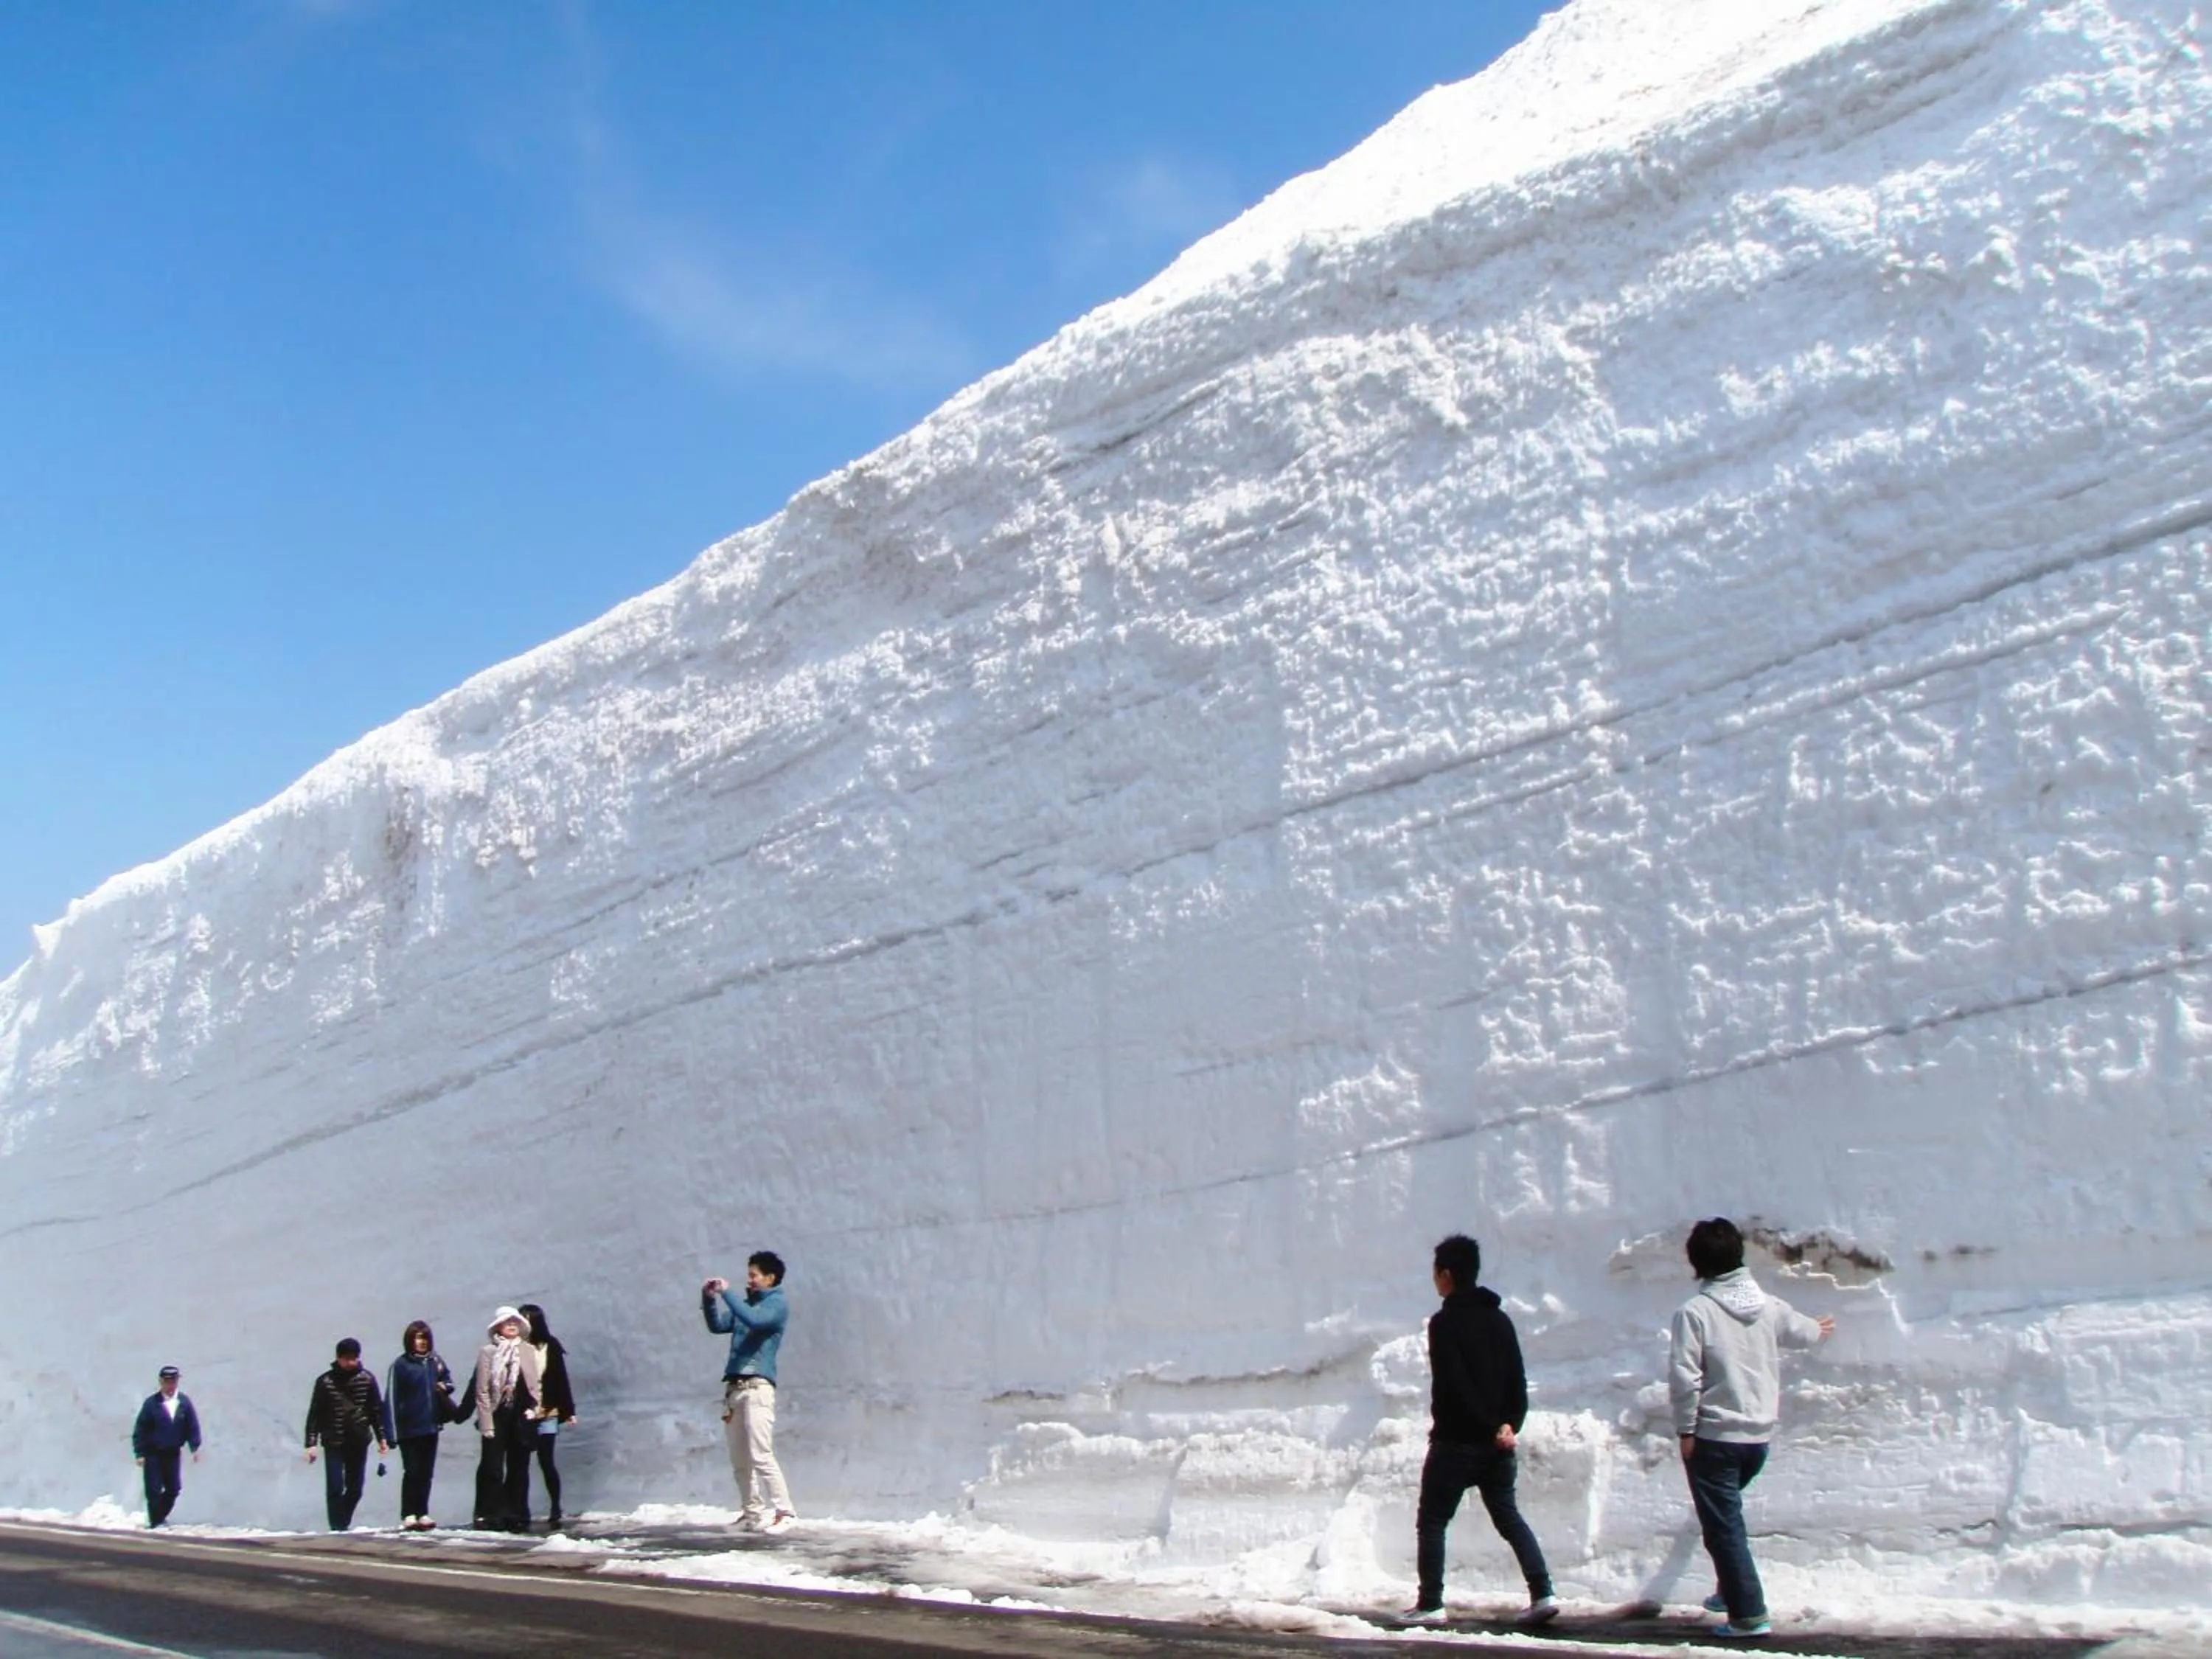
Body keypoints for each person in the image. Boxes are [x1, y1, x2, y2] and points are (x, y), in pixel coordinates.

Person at [1669, 1217, 1834, 1640]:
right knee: (1723, 1518)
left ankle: (1748, 1615)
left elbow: (1686, 1377)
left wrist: (1686, 1431)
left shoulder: (1696, 1313)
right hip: (1758, 1439)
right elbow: (1802, 1331)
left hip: (1715, 1437)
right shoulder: (1767, 1305)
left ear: (1697, 1263)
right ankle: (1729, 1591)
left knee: (1724, 1527)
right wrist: (1819, 1329)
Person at [1399, 1234, 1557, 1628]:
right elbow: (1517, 1380)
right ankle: (1543, 1593)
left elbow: (1454, 1384)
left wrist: (1489, 1425)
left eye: (1436, 1273)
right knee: (1508, 1517)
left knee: (1432, 1521)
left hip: (1456, 1442)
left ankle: (1431, 1603)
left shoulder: (1443, 1324)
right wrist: (1509, 1425)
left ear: (1446, 1275)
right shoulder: (1501, 1320)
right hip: (1498, 1444)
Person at [701, 1251, 793, 1531]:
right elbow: (718, 1326)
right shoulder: (747, 1306)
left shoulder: (776, 1305)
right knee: (740, 1458)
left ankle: (785, 1512)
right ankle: (752, 1513)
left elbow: (755, 1320)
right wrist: (708, 1299)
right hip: (735, 1389)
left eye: (754, 1275)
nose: (749, 1280)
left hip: (757, 1388)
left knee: (760, 1453)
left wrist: (727, 1293)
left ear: (770, 1278)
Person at [383, 1320, 465, 1531]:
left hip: (431, 1426)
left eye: (425, 1338)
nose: (422, 1342)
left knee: (426, 1472)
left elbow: (449, 1382)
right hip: (409, 1429)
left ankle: (422, 1512)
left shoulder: (435, 1361)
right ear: (410, 1340)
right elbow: (390, 1398)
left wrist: (444, 1386)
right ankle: (408, 1513)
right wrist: (390, 1433)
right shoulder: (400, 1365)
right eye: (418, 1338)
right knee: (412, 1471)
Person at [304, 1338, 391, 1531]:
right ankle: (337, 1527)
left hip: (358, 1439)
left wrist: (382, 1438)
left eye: (354, 1358)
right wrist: (311, 1443)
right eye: (347, 1358)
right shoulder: (325, 1382)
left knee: (355, 1489)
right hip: (333, 1440)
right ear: (338, 1358)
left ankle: (342, 1521)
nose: (351, 1362)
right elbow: (315, 1414)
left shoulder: (367, 1379)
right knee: (335, 1487)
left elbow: (376, 1411)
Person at [470, 1305, 543, 1532]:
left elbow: (535, 1383)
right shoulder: (489, 1352)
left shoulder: (528, 1350)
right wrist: (486, 1423)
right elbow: (482, 1390)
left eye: (515, 1322)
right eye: (507, 1322)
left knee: (519, 1466)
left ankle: (516, 1512)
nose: (512, 1325)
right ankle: (489, 1513)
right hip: (497, 1413)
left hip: (521, 1414)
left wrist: (534, 1408)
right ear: (498, 1327)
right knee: (492, 1467)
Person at [517, 1303, 577, 1529]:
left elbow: (561, 1379)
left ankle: (555, 1506)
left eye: (527, 1320)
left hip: (548, 1410)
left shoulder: (550, 1346)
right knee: (521, 1462)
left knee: (546, 1459)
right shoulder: (516, 1346)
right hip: (524, 1412)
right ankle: (521, 1510)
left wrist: (569, 1411)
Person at [131, 1364, 203, 1528]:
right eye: (167, 1382)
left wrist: (195, 1447)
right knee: (153, 1489)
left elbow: (192, 1426)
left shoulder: (183, 1402)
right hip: (153, 1453)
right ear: (161, 1382)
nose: (170, 1385)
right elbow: (140, 1429)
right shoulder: (152, 1403)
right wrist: (140, 1453)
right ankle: (156, 1521)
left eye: (173, 1381)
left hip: (172, 1452)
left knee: (174, 1488)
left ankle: (159, 1516)